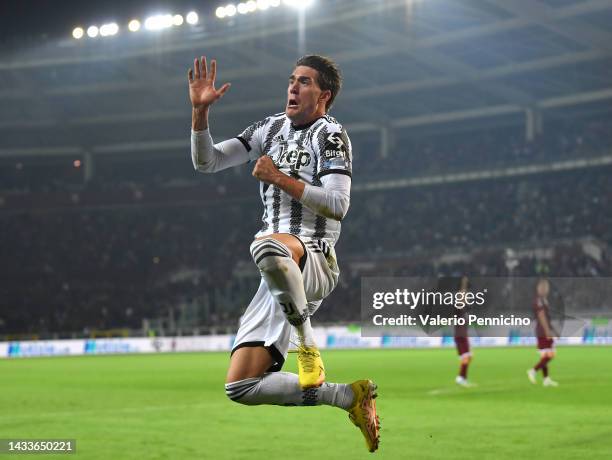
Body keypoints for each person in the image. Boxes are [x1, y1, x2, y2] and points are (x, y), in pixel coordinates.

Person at [188, 55, 380, 452]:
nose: (293, 87)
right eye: (292, 80)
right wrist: (200, 113)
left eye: (305, 82)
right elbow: (207, 162)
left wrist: (278, 178)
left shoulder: (330, 135)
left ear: (323, 95)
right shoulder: (269, 127)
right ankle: (349, 396)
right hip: (276, 272)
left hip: (314, 257)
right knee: (241, 386)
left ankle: (307, 344)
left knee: (268, 245)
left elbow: (338, 204)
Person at [527, 278, 559, 387]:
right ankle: (533, 370)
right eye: (542, 287)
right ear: (538, 289)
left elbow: (547, 318)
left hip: (543, 330)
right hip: (542, 331)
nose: (545, 289)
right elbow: (541, 316)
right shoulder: (539, 300)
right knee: (551, 355)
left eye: (546, 287)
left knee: (545, 355)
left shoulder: (544, 300)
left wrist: (554, 330)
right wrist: (547, 331)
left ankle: (546, 379)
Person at [454, 276, 474, 387]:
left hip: (463, 335)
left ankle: (462, 378)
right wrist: (464, 284)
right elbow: (461, 296)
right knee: (466, 357)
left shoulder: (465, 310)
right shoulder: (459, 308)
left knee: (469, 357)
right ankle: (461, 378)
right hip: (460, 336)